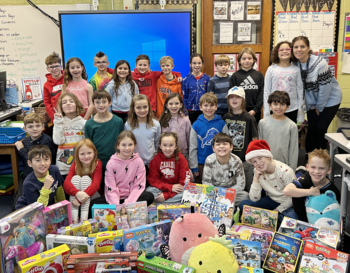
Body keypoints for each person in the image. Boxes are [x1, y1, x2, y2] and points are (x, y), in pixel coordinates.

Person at [292, 36, 342, 154]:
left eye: (302, 46)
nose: (299, 49)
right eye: (296, 47)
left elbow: (325, 88)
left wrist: (320, 106)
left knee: (320, 128)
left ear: (308, 48)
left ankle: (321, 159)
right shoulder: (294, 65)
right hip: (311, 102)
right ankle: (309, 159)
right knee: (312, 129)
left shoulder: (320, 63)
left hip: (330, 99)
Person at [90, 131, 154, 208]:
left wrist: (128, 203)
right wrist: (117, 206)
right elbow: (111, 187)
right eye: (123, 145)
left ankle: (128, 209)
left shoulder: (138, 161)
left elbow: (138, 185)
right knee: (93, 205)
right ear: (118, 146)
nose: (127, 148)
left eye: (130, 144)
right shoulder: (111, 163)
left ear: (134, 145)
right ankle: (124, 210)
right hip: (115, 199)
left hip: (132, 198)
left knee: (149, 196)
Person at [239, 140, 298, 223]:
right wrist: (256, 178)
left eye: (260, 158)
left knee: (292, 217)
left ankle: (265, 220)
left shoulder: (285, 172)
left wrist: (276, 211)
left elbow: (292, 198)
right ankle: (270, 220)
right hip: (271, 200)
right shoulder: (257, 171)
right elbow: (254, 199)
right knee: (244, 204)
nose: (258, 163)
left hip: (286, 203)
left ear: (268, 157)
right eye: (254, 161)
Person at [283, 149, 341, 222]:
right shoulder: (307, 177)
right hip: (300, 218)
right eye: (313, 167)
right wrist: (310, 192)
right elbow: (286, 191)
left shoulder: (333, 191)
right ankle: (300, 171)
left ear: (329, 170)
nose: (316, 172)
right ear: (307, 167)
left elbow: (336, 215)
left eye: (321, 168)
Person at [84, 90, 124, 189]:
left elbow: (122, 143)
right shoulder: (89, 124)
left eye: (104, 101)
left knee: (116, 188)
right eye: (97, 102)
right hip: (97, 163)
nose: (101, 105)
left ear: (109, 102)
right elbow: (88, 146)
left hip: (116, 162)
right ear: (93, 104)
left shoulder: (118, 121)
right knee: (101, 189)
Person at [223, 86, 258, 190]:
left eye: (237, 97)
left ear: (243, 100)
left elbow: (254, 140)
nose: (234, 99)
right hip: (229, 160)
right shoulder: (225, 118)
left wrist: (252, 158)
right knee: (231, 187)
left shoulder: (249, 118)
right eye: (231, 97)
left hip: (245, 161)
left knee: (247, 187)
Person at [189, 92, 227, 184]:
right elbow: (193, 147)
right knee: (203, 190)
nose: (209, 108)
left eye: (211, 105)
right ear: (201, 107)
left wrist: (226, 162)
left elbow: (227, 144)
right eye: (205, 105)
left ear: (216, 106)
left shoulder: (222, 123)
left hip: (219, 162)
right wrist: (194, 166)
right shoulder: (196, 125)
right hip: (202, 164)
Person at [202, 133, 249, 206]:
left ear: (231, 147)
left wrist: (225, 193)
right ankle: (225, 203)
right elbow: (206, 183)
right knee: (202, 195)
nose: (221, 146)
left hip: (231, 192)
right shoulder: (209, 160)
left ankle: (220, 203)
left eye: (225, 144)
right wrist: (218, 193)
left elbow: (241, 184)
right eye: (218, 144)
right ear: (213, 148)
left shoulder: (236, 161)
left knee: (245, 196)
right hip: (215, 192)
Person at [263, 41, 304, 123]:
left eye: (287, 49)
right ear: (277, 53)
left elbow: (300, 91)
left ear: (291, 52)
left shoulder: (296, 69)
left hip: (292, 109)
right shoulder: (271, 69)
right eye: (281, 50)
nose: (284, 51)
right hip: (275, 109)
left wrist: (301, 114)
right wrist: (266, 113)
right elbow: (266, 91)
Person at [63, 139, 102, 223]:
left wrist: (79, 200)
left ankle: (84, 219)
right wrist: (77, 193)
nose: (86, 156)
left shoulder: (97, 163)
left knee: (85, 178)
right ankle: (74, 219)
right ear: (77, 155)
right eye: (82, 154)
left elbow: (96, 184)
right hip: (78, 196)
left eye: (89, 153)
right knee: (75, 178)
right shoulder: (75, 165)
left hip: (93, 196)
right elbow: (66, 184)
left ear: (94, 152)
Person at [15, 145, 65, 210]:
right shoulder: (28, 183)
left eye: (46, 159)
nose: (43, 163)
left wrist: (63, 208)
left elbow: (59, 190)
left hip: (47, 205)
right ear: (30, 163)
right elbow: (37, 209)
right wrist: (45, 188)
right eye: (38, 160)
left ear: (50, 161)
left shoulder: (54, 170)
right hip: (29, 209)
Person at [258, 91, 298, 171]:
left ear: (287, 106)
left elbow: (293, 150)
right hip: (265, 165)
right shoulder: (262, 123)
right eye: (275, 104)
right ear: (269, 105)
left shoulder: (292, 126)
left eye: (282, 104)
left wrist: (292, 170)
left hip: (284, 168)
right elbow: (259, 146)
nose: (279, 107)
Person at [146, 132, 190, 204]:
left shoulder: (181, 158)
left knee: (187, 193)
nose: (168, 148)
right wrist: (170, 187)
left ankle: (160, 201)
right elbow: (153, 180)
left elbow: (184, 182)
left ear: (176, 146)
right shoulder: (155, 159)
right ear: (160, 146)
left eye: (171, 145)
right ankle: (171, 202)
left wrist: (167, 195)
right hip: (162, 188)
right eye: (165, 145)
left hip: (177, 189)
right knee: (149, 191)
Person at [53, 93, 86, 179]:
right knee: (65, 191)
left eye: (71, 101)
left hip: (81, 166)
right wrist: (58, 122)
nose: (68, 103)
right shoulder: (58, 122)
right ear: (61, 108)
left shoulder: (84, 123)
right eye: (64, 102)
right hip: (63, 168)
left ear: (77, 105)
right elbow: (58, 141)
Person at [124, 94, 161, 169]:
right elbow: (127, 143)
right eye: (138, 107)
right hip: (134, 163)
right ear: (133, 109)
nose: (142, 110)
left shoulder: (156, 124)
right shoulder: (128, 125)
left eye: (145, 107)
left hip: (151, 163)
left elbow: (157, 143)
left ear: (149, 107)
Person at [230, 47, 264, 124]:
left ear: (254, 60)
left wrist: (256, 109)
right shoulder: (235, 76)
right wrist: (238, 109)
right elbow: (233, 95)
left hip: (255, 111)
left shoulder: (259, 75)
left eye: (249, 58)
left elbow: (261, 94)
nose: (247, 61)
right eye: (244, 58)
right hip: (239, 110)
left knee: (254, 134)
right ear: (239, 60)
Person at [15, 113, 54, 178]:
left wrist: (22, 149)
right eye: (30, 127)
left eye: (38, 126)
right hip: (28, 173)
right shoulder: (25, 141)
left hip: (44, 174)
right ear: (25, 129)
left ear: (43, 126)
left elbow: (38, 158)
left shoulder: (46, 140)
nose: (34, 129)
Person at [159, 93, 191, 160]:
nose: (174, 106)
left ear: (181, 105)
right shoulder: (162, 120)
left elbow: (189, 139)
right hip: (167, 154)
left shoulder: (186, 120)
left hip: (183, 154)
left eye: (176, 103)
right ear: (167, 105)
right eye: (171, 104)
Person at [182, 53, 210, 124]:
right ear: (190, 64)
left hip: (204, 110)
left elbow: (209, 95)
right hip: (191, 111)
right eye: (194, 63)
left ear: (202, 64)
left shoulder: (207, 79)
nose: (197, 65)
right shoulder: (186, 79)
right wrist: (185, 110)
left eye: (199, 63)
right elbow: (184, 96)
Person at [43, 52, 64, 121]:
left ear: (61, 66)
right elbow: (47, 103)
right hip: (58, 117)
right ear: (47, 69)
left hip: (72, 114)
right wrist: (54, 117)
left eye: (56, 66)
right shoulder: (46, 85)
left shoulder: (68, 79)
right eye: (51, 67)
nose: (54, 69)